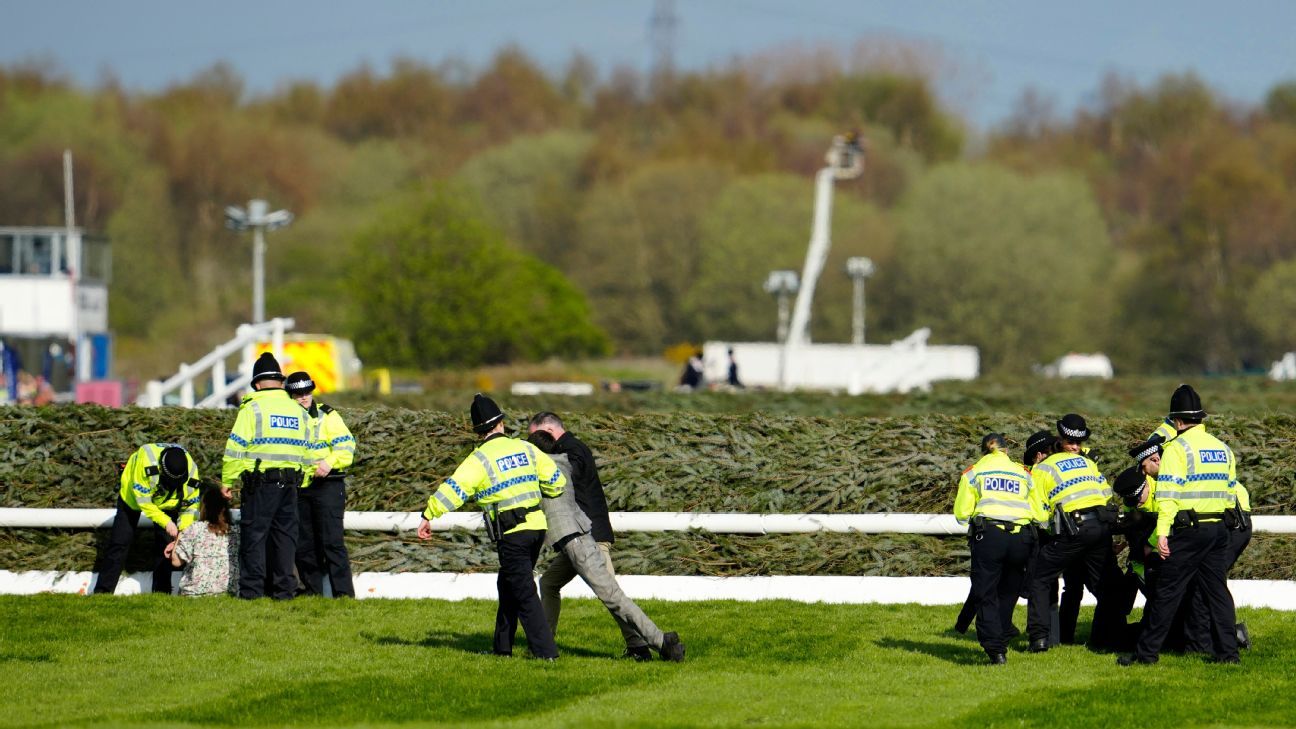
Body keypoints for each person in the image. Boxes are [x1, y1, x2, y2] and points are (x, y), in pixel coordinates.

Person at [417, 394, 565, 659]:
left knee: (524, 592)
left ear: (478, 431)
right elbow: (556, 481)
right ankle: (502, 647)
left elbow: (454, 490)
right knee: (508, 585)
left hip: (512, 534)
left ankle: (547, 654)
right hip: (536, 529)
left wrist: (429, 514)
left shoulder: (480, 459)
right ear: (501, 424)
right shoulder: (526, 448)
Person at [527, 429, 685, 661]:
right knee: (548, 583)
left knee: (612, 596)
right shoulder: (561, 463)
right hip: (575, 541)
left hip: (577, 544)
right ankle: (544, 646)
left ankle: (661, 641)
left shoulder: (544, 468)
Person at [1120, 384, 1241, 666]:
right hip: (1218, 529)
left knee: (1166, 591)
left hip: (1188, 531)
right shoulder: (1223, 449)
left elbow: (1168, 495)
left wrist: (1162, 533)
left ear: (1176, 421)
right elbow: (1230, 491)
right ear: (1200, 417)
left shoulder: (1176, 449)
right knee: (1218, 593)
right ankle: (1228, 654)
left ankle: (1146, 654)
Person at [1024, 414, 1122, 652]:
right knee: (1105, 586)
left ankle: (1039, 638)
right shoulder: (1088, 462)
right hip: (1099, 528)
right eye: (1071, 442)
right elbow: (1106, 494)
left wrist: (1049, 533)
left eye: (1078, 442)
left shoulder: (1043, 468)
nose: (1075, 447)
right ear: (1060, 437)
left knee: (1039, 578)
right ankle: (1106, 639)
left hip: (1073, 530)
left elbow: (1038, 511)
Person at [222, 352, 316, 600]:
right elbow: (308, 451)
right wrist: (303, 480)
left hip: (260, 485)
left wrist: (227, 481)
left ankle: (252, 593)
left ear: (256, 383)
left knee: (254, 538)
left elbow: (235, 448)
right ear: (280, 381)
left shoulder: (252, 408)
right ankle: (284, 592)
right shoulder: (298, 411)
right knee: (285, 540)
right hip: (291, 485)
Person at [953, 433, 1042, 664]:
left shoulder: (973, 472)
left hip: (990, 537)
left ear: (984, 450)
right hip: (1022, 539)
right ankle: (1001, 637)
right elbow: (1040, 513)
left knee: (986, 593)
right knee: (1008, 593)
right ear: (1006, 450)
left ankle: (995, 649)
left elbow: (962, 513)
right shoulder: (1024, 472)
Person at [285, 370, 356, 598]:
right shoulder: (286, 419)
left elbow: (347, 448)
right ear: (289, 395)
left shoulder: (328, 416)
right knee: (304, 545)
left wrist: (329, 462)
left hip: (327, 485)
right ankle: (312, 594)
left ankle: (344, 595)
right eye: (298, 394)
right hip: (299, 486)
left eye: (307, 392)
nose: (304, 397)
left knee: (332, 543)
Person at [93, 443, 201, 594]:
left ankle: (161, 594)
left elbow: (190, 507)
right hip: (132, 499)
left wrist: (181, 534)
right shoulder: (146, 462)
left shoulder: (191, 472)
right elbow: (144, 502)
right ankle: (102, 592)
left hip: (167, 504)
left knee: (165, 546)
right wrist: (167, 522)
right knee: (120, 542)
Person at [170, 484, 240, 596]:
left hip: (195, 592)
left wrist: (179, 537)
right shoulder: (236, 531)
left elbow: (176, 562)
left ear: (204, 507)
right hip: (227, 593)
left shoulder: (195, 529)